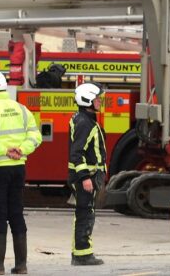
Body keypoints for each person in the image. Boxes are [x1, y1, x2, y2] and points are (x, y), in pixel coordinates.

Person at [0, 71, 42, 275]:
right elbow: (35, 135)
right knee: (16, 213)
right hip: (18, 168)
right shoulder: (21, 108)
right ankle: (21, 265)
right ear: (5, 88)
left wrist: (3, 150)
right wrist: (21, 150)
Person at [68, 83, 107, 266]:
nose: (100, 101)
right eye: (97, 98)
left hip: (87, 176)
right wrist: (85, 178)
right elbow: (77, 153)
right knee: (85, 214)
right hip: (86, 177)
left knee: (84, 213)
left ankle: (81, 253)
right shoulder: (85, 123)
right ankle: (82, 255)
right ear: (87, 100)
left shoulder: (85, 120)